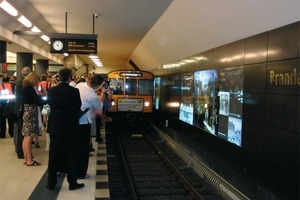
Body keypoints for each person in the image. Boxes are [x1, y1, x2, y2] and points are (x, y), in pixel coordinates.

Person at [47, 68, 84, 191]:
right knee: (71, 154)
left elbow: (50, 105)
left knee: (53, 156)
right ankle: (72, 182)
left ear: (59, 77)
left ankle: (51, 182)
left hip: (55, 127)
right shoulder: (74, 91)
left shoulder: (51, 91)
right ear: (70, 77)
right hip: (70, 127)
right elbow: (77, 107)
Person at [75, 74, 112, 178]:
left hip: (75, 120)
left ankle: (74, 169)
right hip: (84, 122)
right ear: (99, 85)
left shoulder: (80, 85)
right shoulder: (92, 96)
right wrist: (103, 94)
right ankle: (81, 173)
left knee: (77, 147)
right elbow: (99, 107)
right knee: (83, 149)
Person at [22, 72, 43, 166]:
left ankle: (26, 159)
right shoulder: (30, 89)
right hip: (31, 113)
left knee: (26, 137)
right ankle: (30, 160)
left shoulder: (24, 88)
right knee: (29, 137)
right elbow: (36, 101)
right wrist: (44, 99)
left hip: (26, 112)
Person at [14, 66, 31, 159]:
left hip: (18, 108)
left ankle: (19, 150)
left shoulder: (19, 81)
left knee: (20, 130)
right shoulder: (24, 83)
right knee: (22, 132)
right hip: (22, 109)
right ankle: (20, 151)